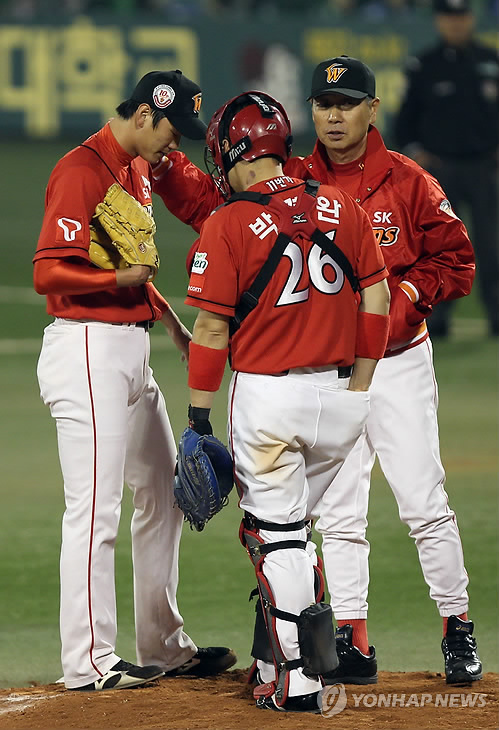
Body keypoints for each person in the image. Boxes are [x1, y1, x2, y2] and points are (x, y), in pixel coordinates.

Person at [151, 56, 482, 687]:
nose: (334, 115)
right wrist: (166, 167)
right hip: (329, 373)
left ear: (371, 110)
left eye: (347, 103)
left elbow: (457, 259)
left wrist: (402, 300)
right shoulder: (295, 178)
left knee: (424, 502)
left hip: (398, 361)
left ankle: (457, 628)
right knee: (338, 514)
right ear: (310, 113)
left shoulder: (409, 181)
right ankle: (350, 641)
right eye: (323, 104)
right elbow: (217, 204)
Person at [182, 89, 390, 712]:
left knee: (279, 541)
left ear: (235, 153)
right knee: (293, 535)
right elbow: (377, 298)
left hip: (271, 404)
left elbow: (213, 330)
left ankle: (299, 681)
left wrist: (197, 417)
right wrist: (360, 386)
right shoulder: (343, 208)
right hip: (344, 401)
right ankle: (275, 659)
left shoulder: (227, 224)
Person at [33, 69, 236, 692]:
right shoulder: (83, 170)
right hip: (86, 350)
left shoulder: (137, 170)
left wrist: (171, 322)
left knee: (164, 493)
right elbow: (48, 272)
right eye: (173, 130)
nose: (175, 144)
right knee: (95, 511)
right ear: (145, 113)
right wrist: (115, 284)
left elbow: (131, 264)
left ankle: (164, 644)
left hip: (131, 351)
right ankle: (89, 660)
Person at [393, 0, 499, 338]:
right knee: (439, 249)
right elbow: (404, 121)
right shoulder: (423, 66)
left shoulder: (491, 62)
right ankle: (435, 319)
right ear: (439, 21)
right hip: (439, 174)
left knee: (492, 244)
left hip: (485, 168)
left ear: (471, 19)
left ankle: (497, 315)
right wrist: (413, 153)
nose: (456, 24)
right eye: (449, 17)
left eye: (462, 16)